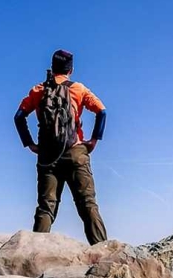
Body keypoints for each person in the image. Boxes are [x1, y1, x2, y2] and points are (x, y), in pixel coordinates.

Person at [14, 49, 108, 245]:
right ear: (71, 69)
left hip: (48, 154)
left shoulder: (39, 90)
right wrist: (93, 140)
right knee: (87, 204)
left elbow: (19, 116)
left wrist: (30, 143)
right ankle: (103, 253)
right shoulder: (79, 89)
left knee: (46, 207)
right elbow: (102, 111)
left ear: (52, 67)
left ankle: (35, 255)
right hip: (76, 153)